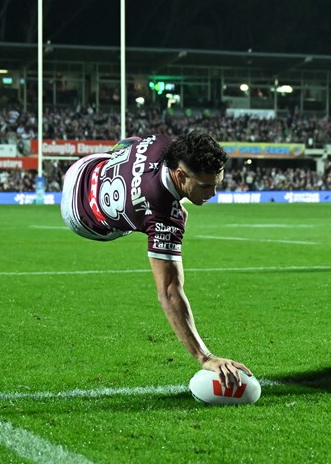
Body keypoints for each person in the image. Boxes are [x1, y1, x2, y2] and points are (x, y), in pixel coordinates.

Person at [60, 130, 252, 388]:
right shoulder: (163, 214)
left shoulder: (166, 143)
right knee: (163, 217)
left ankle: (123, 169)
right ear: (180, 174)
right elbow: (170, 291)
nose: (213, 193)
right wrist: (204, 356)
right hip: (82, 218)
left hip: (86, 166)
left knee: (133, 146)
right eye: (206, 186)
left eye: (217, 183)